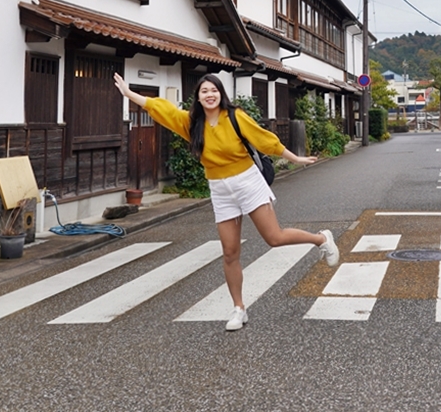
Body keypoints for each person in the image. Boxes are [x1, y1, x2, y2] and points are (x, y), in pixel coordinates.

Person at [113, 72, 338, 332]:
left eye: (214, 90)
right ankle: (239, 308)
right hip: (220, 189)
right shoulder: (191, 123)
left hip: (247, 181)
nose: (209, 95)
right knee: (230, 252)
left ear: (221, 94)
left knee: (274, 237)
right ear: (198, 97)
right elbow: (161, 109)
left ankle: (321, 239)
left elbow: (264, 138)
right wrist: (130, 95)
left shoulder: (234, 117)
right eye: (204, 91)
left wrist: (296, 158)